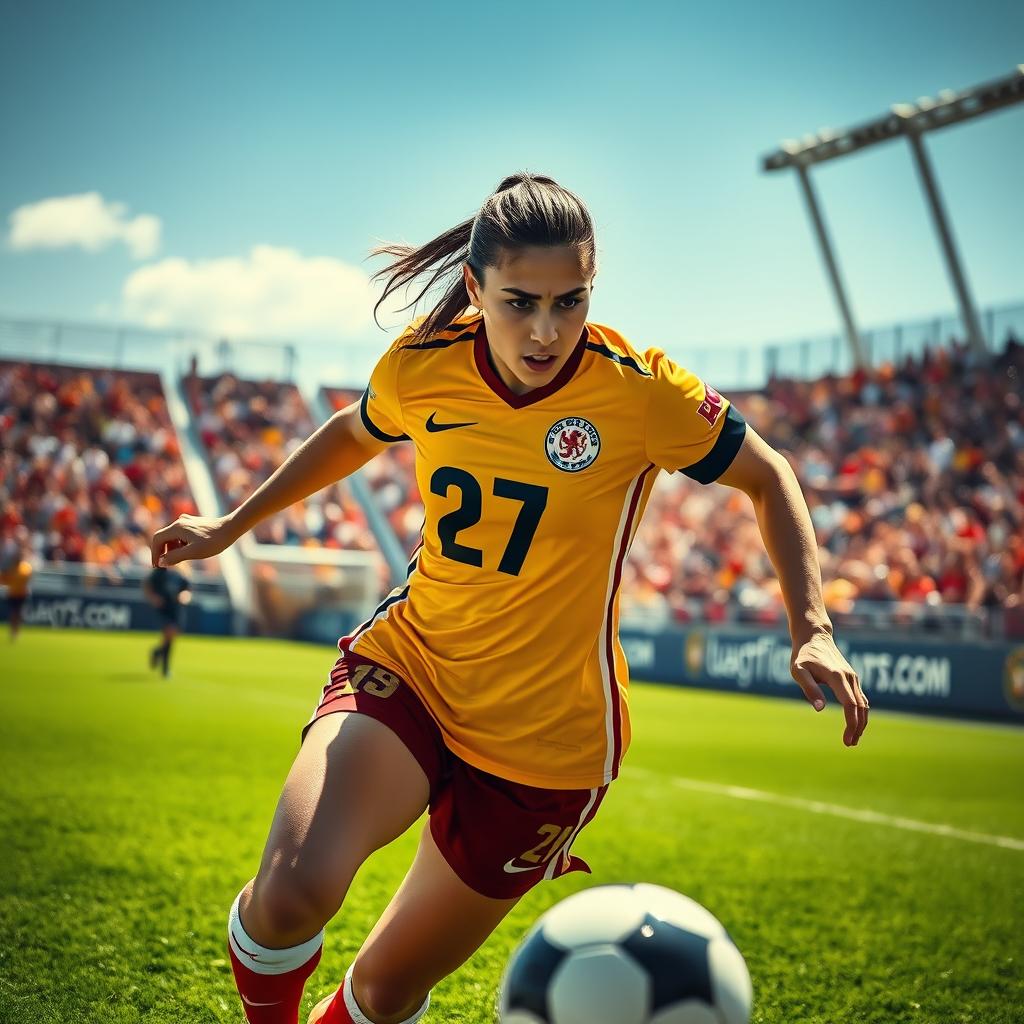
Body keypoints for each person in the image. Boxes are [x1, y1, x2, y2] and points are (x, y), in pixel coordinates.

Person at [150, 173, 869, 1024]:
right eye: (520, 300)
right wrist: (233, 524)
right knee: (291, 893)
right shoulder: (424, 363)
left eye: (571, 302)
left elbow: (768, 474)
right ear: (474, 288)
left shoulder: (640, 392)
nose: (546, 329)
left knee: (384, 991)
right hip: (413, 669)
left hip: (547, 743)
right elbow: (354, 430)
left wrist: (812, 626)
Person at [142, 564, 191, 677]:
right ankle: (165, 668)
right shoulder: (160, 572)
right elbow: (147, 584)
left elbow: (187, 590)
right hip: (164, 608)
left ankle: (158, 652)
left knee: (171, 636)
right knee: (169, 633)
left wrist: (184, 596)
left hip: (177, 609)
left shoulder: (181, 573)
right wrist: (153, 598)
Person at [1, 541, 33, 642]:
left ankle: (16, 631)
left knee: (18, 613)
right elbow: (5, 579)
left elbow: (27, 581)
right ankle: (13, 631)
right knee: (14, 613)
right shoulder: (12, 568)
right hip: (13, 593)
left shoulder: (25, 568)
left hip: (21, 594)